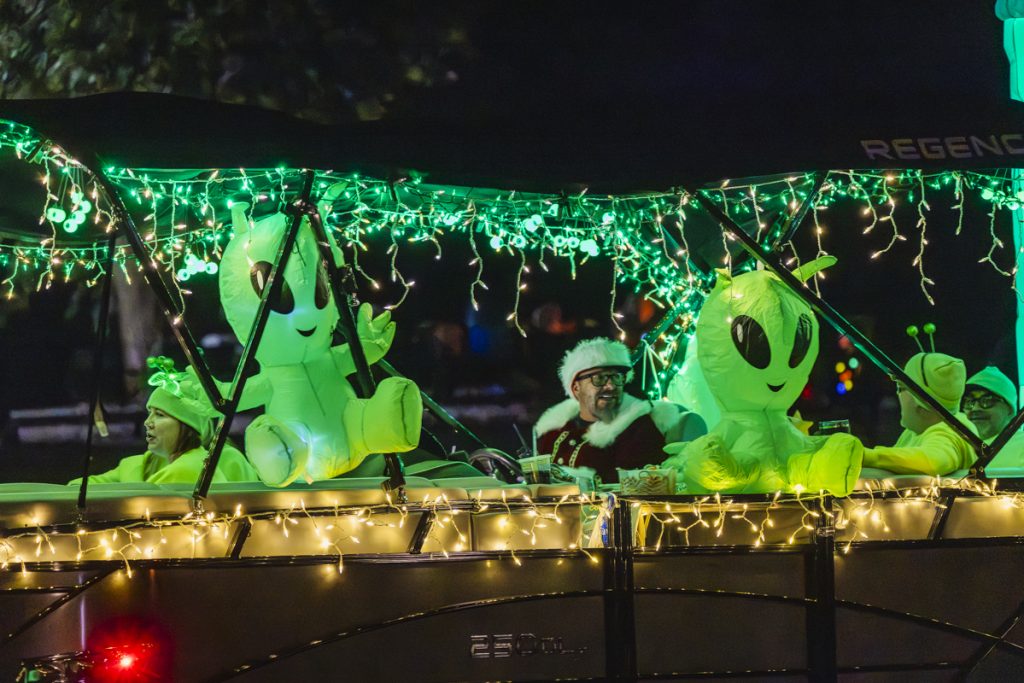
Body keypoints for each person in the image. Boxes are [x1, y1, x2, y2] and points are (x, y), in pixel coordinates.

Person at [534, 337, 695, 483]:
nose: (610, 386)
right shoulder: (553, 431)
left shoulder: (639, 427)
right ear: (576, 388)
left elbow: (632, 485)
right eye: (599, 378)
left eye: (616, 377)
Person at [70, 361, 257, 485]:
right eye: (149, 413)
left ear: (187, 425)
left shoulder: (195, 466)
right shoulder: (144, 464)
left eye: (159, 414)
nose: (147, 422)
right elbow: (81, 490)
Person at [862, 351, 978, 476]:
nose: (897, 394)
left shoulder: (949, 432)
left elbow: (934, 462)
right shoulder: (915, 432)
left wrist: (865, 456)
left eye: (900, 388)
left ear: (920, 400)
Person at [963, 366, 1024, 469]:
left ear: (1009, 409)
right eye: (970, 402)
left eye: (987, 401)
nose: (975, 408)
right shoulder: (955, 445)